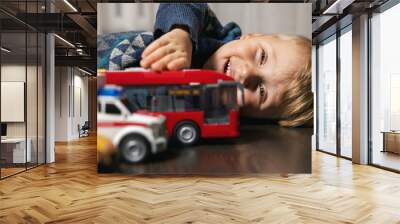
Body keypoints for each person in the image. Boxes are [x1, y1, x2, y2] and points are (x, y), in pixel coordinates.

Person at [97, 3, 312, 127]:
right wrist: (182, 32)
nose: (247, 74)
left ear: (254, 118)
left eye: (262, 91)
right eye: (262, 57)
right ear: (252, 36)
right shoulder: (211, 33)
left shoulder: (216, 113)